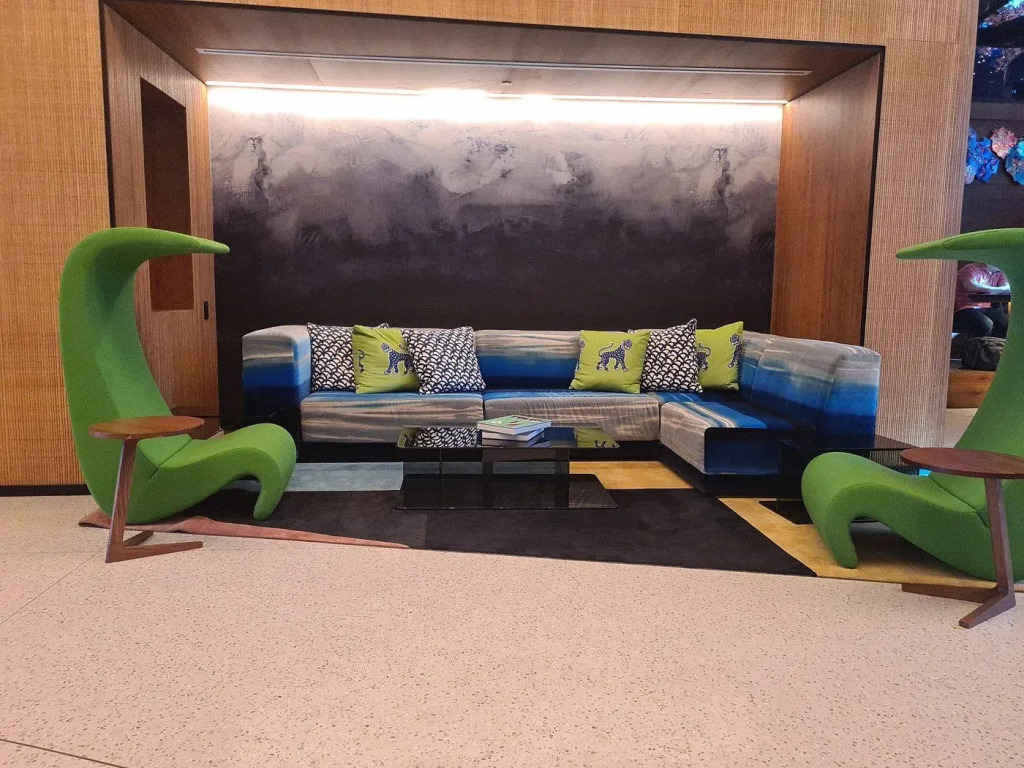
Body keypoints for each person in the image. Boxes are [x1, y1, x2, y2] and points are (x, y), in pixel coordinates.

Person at [952, 262, 1010, 339]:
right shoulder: (970, 269)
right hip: (962, 308)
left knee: (1006, 324)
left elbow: (1006, 287)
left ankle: (995, 345)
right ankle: (975, 345)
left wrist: (1001, 288)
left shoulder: (999, 273)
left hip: (985, 308)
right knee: (985, 324)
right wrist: (999, 289)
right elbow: (971, 286)